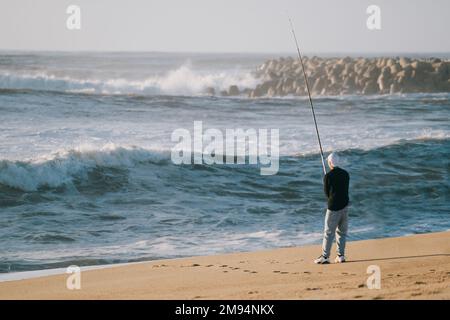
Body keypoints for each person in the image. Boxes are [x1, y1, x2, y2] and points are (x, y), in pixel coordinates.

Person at [314, 152, 350, 264]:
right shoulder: (345, 174)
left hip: (333, 208)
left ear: (330, 163)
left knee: (329, 233)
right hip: (345, 206)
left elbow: (327, 193)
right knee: (342, 232)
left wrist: (327, 179)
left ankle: (325, 256)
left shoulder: (328, 176)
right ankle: (341, 255)